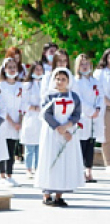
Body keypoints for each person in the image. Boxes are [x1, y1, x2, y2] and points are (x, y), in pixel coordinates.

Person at [37, 68, 84, 206]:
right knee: (50, 159)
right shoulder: (49, 96)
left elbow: (76, 114)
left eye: (63, 79)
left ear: (68, 81)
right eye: (58, 79)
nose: (60, 82)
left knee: (64, 162)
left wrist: (68, 126)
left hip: (68, 132)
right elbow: (46, 114)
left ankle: (59, 195)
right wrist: (60, 129)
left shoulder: (74, 97)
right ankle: (46, 195)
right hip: (52, 132)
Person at [71, 54, 104, 183]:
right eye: (82, 64)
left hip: (94, 118)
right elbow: (79, 99)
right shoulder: (76, 81)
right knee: (81, 144)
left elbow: (100, 96)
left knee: (91, 143)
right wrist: (90, 110)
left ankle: (89, 171)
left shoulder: (95, 81)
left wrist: (98, 109)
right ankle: (80, 172)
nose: (85, 67)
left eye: (87, 64)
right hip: (83, 117)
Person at [0, 58, 24, 187]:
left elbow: (22, 105)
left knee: (12, 149)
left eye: (14, 67)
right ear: (4, 69)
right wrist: (12, 122)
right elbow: (1, 106)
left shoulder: (20, 86)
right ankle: (2, 175)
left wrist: (20, 121)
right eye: (9, 67)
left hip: (16, 122)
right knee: (3, 148)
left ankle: (10, 174)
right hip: (4, 121)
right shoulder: (0, 86)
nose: (12, 69)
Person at [20, 63, 45, 178]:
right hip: (31, 117)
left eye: (41, 69)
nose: (39, 72)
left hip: (42, 118)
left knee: (40, 145)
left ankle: (38, 168)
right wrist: (35, 108)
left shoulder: (46, 84)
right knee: (30, 146)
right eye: (36, 69)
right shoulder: (26, 85)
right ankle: (28, 168)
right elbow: (23, 103)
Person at [96, 48, 110, 172]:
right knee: (107, 136)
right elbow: (98, 91)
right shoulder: (100, 72)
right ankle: (108, 163)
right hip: (107, 108)